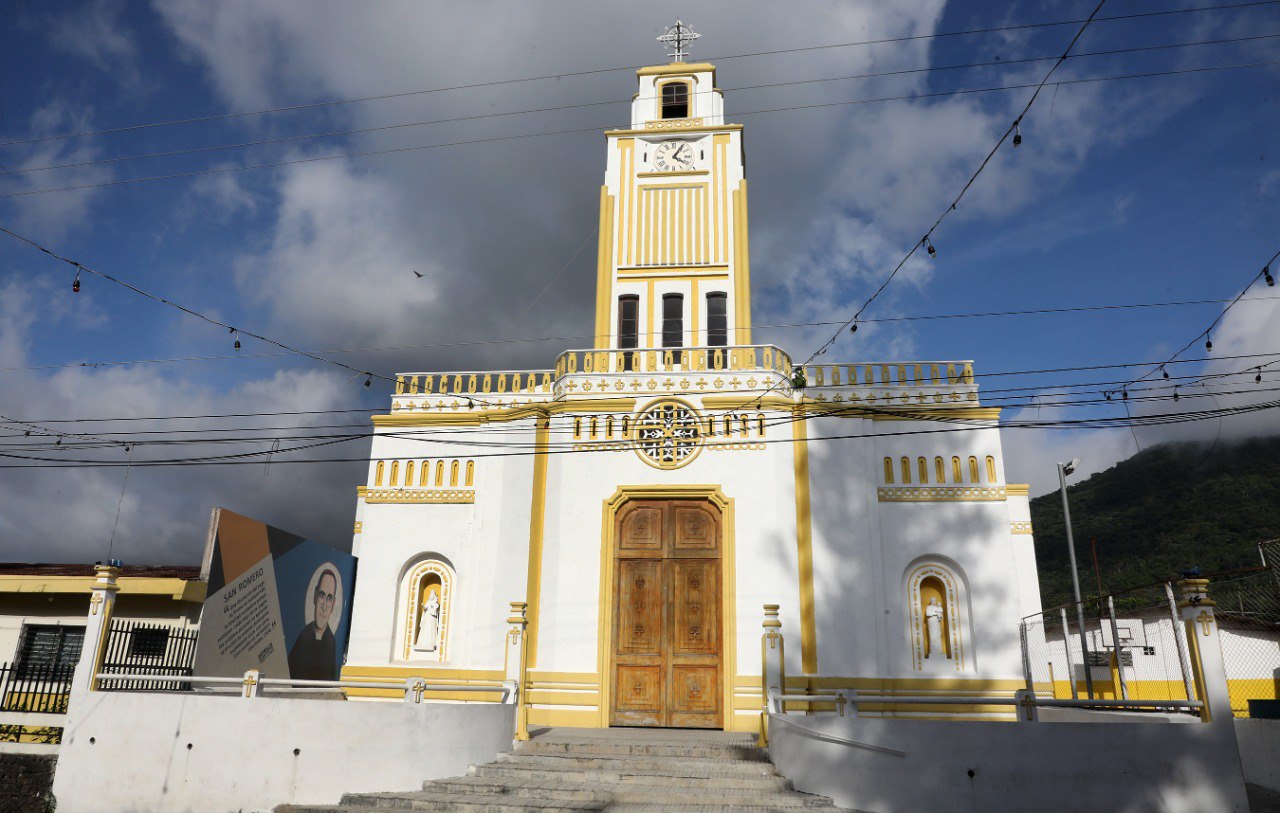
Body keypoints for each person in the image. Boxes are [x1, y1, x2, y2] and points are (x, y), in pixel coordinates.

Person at [288, 568, 338, 680]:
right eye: (322, 596)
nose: (324, 606)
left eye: (329, 598)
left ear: (333, 604)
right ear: (315, 596)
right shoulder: (304, 635)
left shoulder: (331, 642)